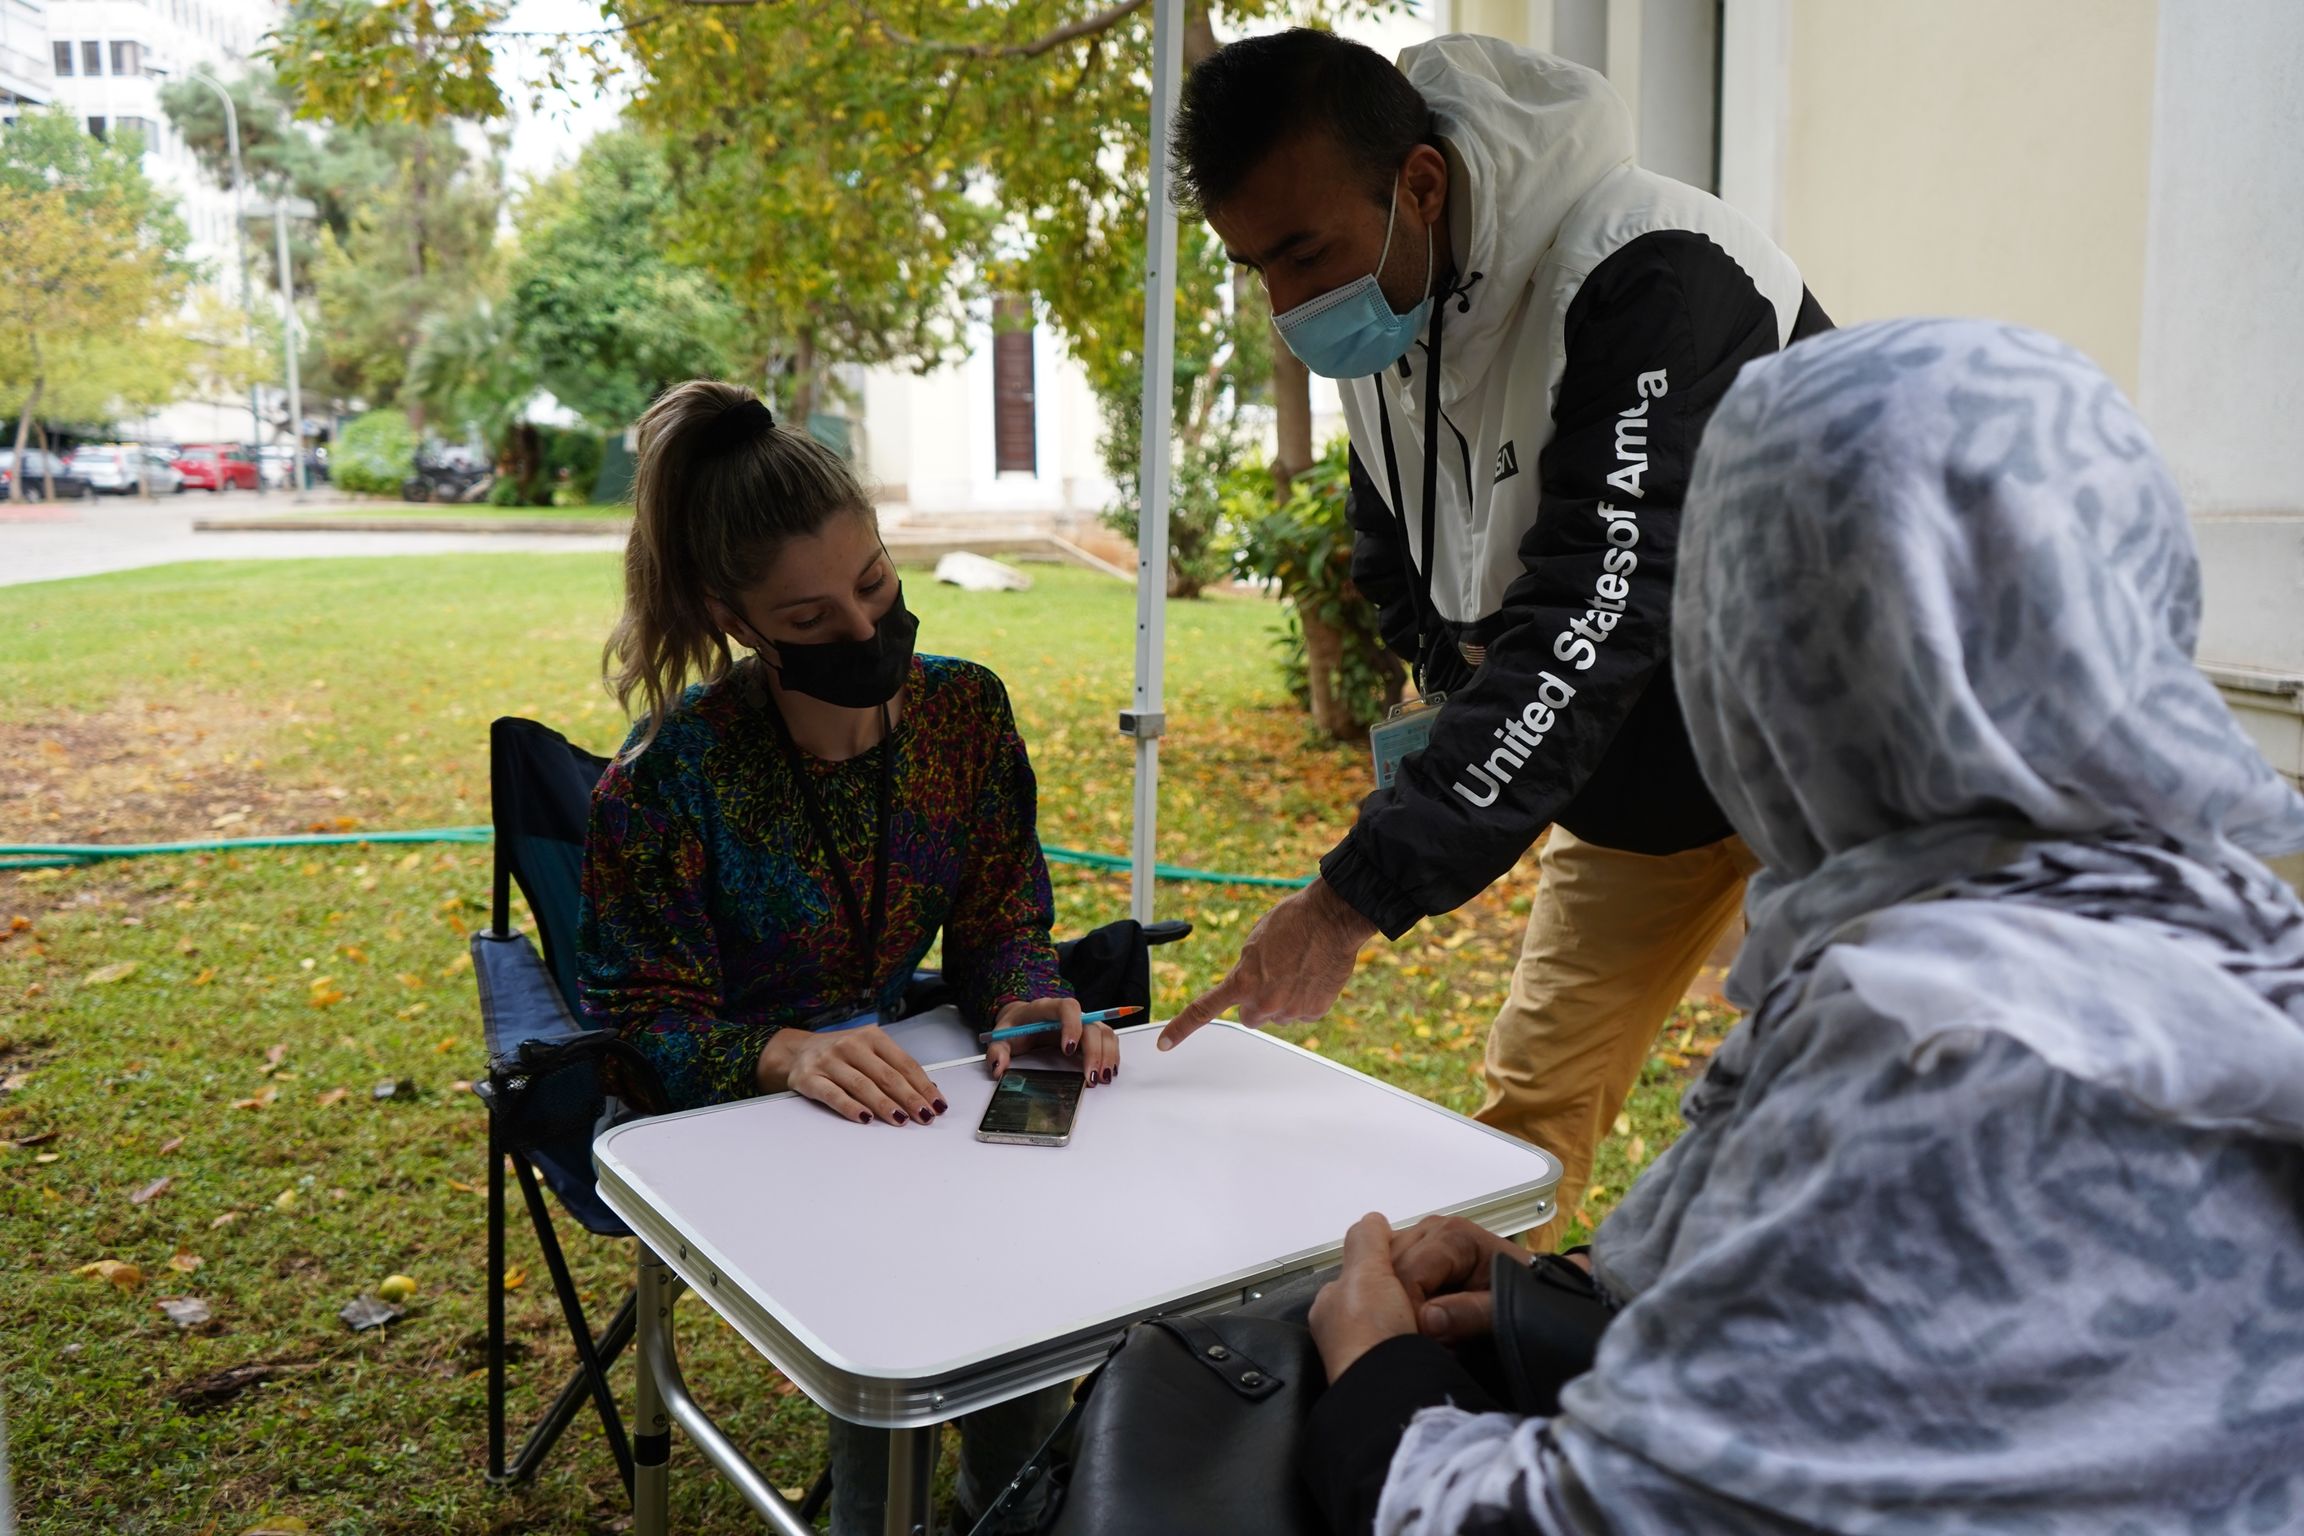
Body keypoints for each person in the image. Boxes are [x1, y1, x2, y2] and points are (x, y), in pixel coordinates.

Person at [1294, 319, 2304, 1534]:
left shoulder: (1935, 1047)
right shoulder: (2236, 939)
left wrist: (1375, 1376)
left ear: (1756, 649)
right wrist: (1541, 1294)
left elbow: (1566, 1521)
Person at [1155, 28, 1833, 1242]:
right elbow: (1399, 557)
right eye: (1255, 266)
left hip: (1836, 776)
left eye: (1302, 252)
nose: (1287, 306)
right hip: (1641, 795)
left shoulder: (1647, 274)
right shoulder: (1387, 314)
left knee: (1858, 1127)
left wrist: (1354, 895)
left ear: (1420, 185)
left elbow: (1596, 610)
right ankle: (1482, 1374)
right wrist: (1445, 703)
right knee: (1525, 1118)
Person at [576, 380, 1111, 1534]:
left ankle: (1009, 1507)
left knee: (1020, 1281)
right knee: (903, 1321)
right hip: (723, 1118)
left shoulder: (966, 715)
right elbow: (636, 1026)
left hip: (904, 1095)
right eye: (813, 621)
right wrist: (781, 1055)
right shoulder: (671, 777)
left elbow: (1000, 923)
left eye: (874, 584)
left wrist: (1029, 1004)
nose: (867, 634)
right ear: (736, 619)